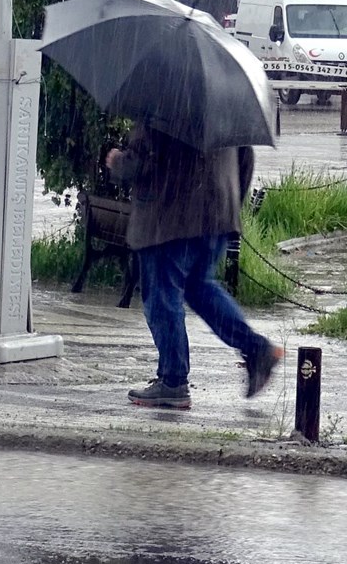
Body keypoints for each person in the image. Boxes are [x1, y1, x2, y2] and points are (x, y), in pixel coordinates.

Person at [106, 125, 284, 410]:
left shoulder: (163, 102)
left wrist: (117, 161)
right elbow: (245, 157)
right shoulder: (223, 105)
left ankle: (173, 382)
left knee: (162, 298)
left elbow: (142, 161)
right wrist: (228, 206)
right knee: (200, 288)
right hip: (217, 213)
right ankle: (257, 348)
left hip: (168, 219)